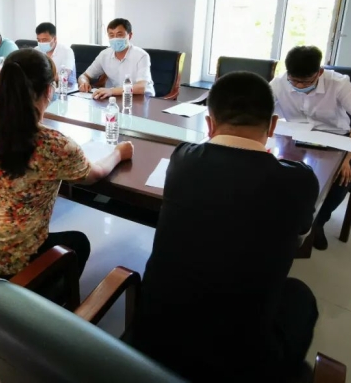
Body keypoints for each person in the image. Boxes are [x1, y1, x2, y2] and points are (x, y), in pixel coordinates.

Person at [132, 72, 320, 383]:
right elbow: (299, 236)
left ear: (209, 124)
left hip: (153, 338)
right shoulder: (299, 180)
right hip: (241, 365)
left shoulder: (183, 159)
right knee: (299, 296)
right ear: (273, 125)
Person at [0, 48, 133, 279]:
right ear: (49, 90)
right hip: (5, 265)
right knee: (78, 243)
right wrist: (119, 153)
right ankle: (41, 299)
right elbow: (95, 174)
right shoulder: (54, 145)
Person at [270, 46, 351, 250]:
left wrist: (346, 158)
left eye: (306, 82)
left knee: (340, 178)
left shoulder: (338, 83)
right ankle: (287, 218)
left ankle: (318, 223)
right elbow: (260, 108)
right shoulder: (280, 82)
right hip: (295, 138)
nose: (299, 85)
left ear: (319, 72)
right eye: (294, 80)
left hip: (334, 140)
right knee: (277, 170)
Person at [77, 18, 155, 99]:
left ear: (130, 35)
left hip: (141, 98)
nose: (115, 39)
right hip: (116, 97)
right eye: (111, 35)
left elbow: (141, 88)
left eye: (119, 35)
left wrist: (111, 91)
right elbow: (84, 76)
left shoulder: (141, 55)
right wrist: (84, 83)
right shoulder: (104, 55)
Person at [34, 22, 76, 87]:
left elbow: (64, 74)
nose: (41, 43)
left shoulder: (66, 51)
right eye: (39, 40)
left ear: (55, 39)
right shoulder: (36, 50)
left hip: (65, 88)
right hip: (43, 87)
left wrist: (40, 80)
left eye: (44, 40)